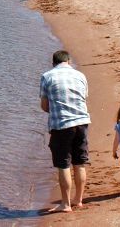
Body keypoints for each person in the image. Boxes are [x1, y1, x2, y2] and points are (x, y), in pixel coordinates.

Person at [40, 50, 91, 213]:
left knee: (63, 164)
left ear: (53, 63)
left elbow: (44, 105)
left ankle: (66, 203)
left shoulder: (47, 77)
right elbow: (83, 97)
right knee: (79, 162)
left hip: (61, 124)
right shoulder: (80, 76)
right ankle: (79, 199)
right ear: (68, 61)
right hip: (82, 122)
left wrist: (56, 111)